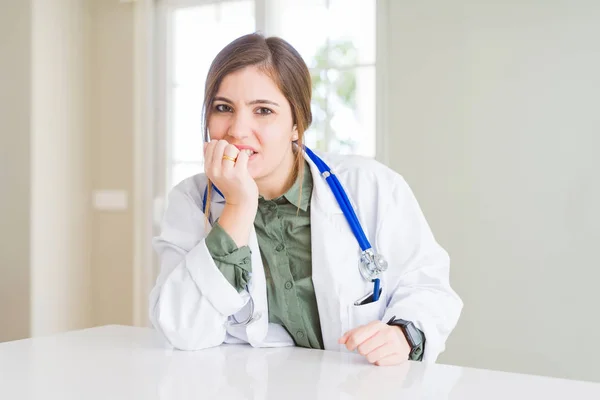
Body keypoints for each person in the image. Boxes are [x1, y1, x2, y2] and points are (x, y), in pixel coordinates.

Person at [149, 33, 462, 366]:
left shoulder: (371, 186)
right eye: (223, 108)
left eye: (263, 111)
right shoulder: (192, 201)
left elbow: (429, 287)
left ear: (297, 124)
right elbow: (182, 329)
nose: (238, 130)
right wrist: (238, 208)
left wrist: (404, 334)